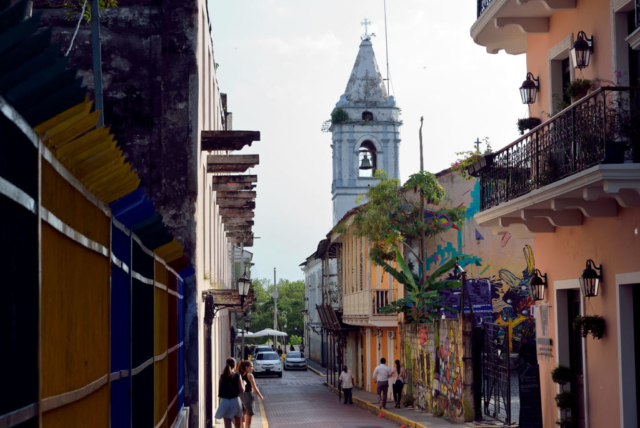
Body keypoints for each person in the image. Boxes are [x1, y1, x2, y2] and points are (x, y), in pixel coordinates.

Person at [214, 358, 244, 428]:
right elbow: (241, 390)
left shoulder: (222, 376)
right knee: (238, 425)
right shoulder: (237, 375)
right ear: (235, 366)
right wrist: (244, 384)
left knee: (227, 425)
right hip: (235, 401)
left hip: (225, 401)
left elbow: (220, 390)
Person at [238, 360, 264, 428]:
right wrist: (260, 396)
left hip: (240, 398)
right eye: (251, 366)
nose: (253, 368)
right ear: (246, 367)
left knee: (242, 423)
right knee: (248, 424)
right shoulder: (250, 375)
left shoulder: (239, 375)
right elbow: (254, 388)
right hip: (248, 398)